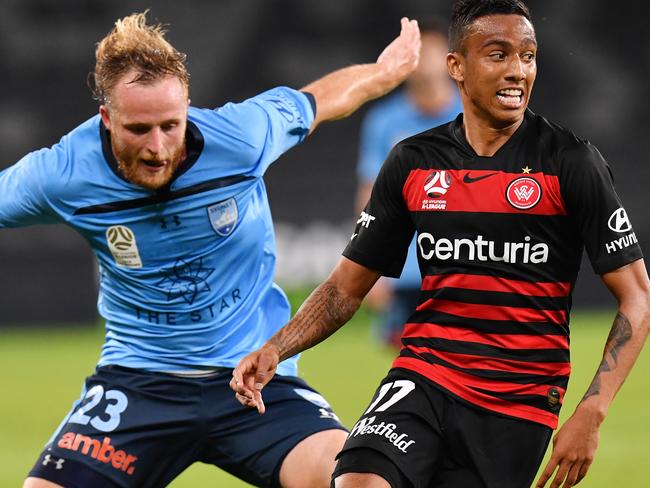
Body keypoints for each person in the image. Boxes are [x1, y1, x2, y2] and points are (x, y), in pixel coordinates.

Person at [231, 1, 650, 487]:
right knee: (356, 482)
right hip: (424, 373)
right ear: (457, 66)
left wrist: (592, 411)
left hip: (516, 399)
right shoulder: (414, 160)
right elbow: (347, 287)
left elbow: (637, 297)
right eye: (498, 55)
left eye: (528, 56)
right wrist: (276, 348)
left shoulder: (571, 162)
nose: (517, 70)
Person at [0, 11, 421, 488]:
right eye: (139, 129)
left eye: (170, 125)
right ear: (107, 119)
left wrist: (386, 72)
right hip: (138, 384)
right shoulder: (64, 173)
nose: (158, 147)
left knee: (357, 481)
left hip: (254, 381)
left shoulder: (241, 137)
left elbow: (322, 99)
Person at [355, 18, 462, 348]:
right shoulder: (385, 120)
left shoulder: (473, 114)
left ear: (449, 60)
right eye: (417, 55)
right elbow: (369, 191)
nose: (424, 63)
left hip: (465, 261)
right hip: (405, 265)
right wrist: (368, 264)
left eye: (430, 53)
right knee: (407, 360)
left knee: (467, 355)